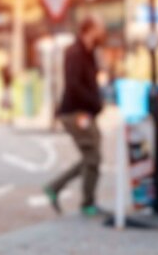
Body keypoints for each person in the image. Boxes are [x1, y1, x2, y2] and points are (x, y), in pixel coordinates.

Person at [43, 14, 107, 217]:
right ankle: (87, 203)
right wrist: (94, 103)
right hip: (75, 112)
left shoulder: (90, 52)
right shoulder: (75, 52)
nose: (103, 31)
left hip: (86, 111)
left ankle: (55, 187)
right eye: (100, 27)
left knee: (92, 157)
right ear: (89, 29)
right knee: (93, 157)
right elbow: (74, 85)